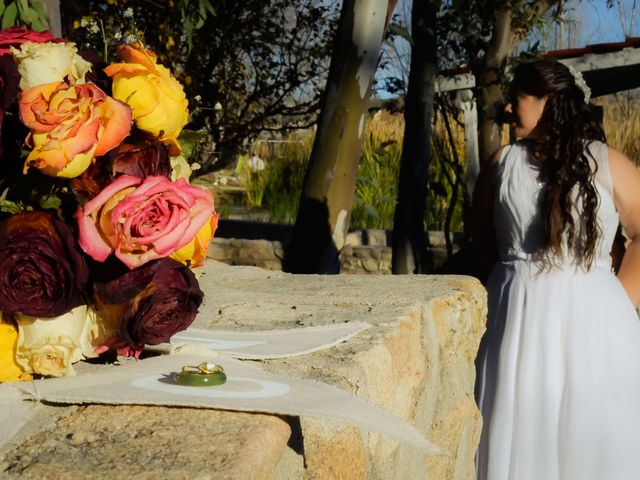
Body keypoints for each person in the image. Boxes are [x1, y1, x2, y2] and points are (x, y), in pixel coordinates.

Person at [472, 60, 640, 480]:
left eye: (516, 100)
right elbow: (479, 239)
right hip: (514, 324)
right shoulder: (500, 164)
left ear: (549, 100)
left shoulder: (607, 163)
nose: (507, 110)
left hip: (596, 328)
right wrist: (510, 287)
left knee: (592, 436)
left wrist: (620, 301)